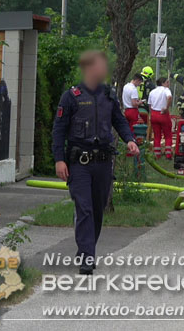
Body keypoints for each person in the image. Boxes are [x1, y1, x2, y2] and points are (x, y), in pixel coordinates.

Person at [51, 50, 138, 275]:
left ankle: (86, 249)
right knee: (85, 208)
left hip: (102, 162)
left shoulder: (109, 95)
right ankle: (87, 256)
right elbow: (59, 131)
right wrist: (59, 160)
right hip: (79, 162)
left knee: (97, 210)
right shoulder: (71, 96)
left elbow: (119, 121)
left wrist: (130, 140)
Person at [148, 77, 173, 159]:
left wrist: (151, 114)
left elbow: (149, 104)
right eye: (167, 82)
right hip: (163, 114)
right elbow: (169, 97)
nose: (168, 84)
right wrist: (166, 107)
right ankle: (168, 153)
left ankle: (156, 154)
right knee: (168, 135)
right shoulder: (166, 90)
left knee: (156, 135)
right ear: (163, 83)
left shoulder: (152, 92)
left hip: (154, 114)